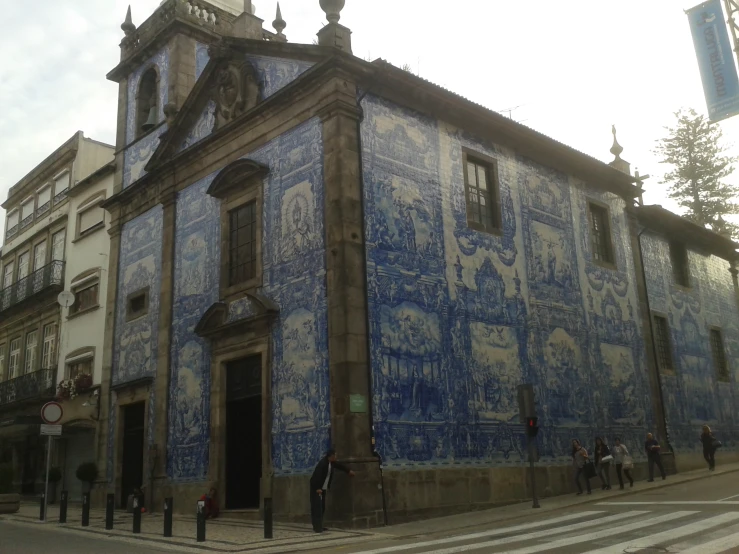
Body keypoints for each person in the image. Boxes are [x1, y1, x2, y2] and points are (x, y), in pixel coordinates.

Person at [309, 449, 355, 533]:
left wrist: (348, 471)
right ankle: (317, 527)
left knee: (322, 507)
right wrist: (317, 488)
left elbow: (340, 466)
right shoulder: (322, 464)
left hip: (323, 488)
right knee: (317, 508)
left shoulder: (331, 463)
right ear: (331, 456)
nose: (336, 457)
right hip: (317, 489)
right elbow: (316, 477)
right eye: (335, 455)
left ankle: (320, 525)